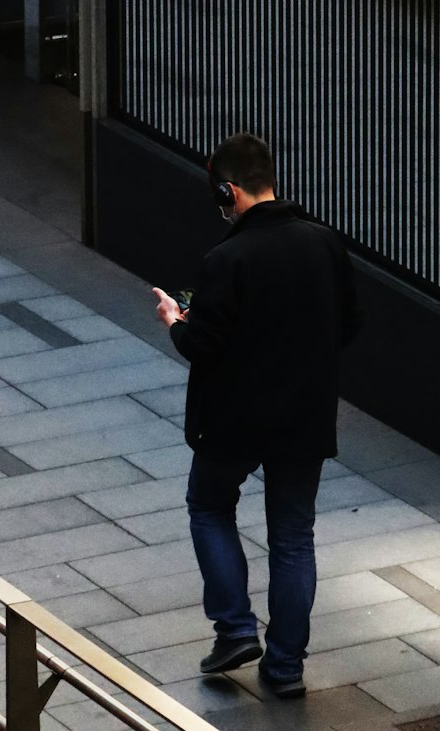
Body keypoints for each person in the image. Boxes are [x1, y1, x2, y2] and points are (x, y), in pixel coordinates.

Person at [153, 132, 361, 698]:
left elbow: (202, 345)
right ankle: (286, 667)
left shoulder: (227, 258)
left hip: (234, 421)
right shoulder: (324, 243)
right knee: (294, 536)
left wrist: (176, 319)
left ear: (228, 189)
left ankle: (236, 628)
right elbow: (350, 325)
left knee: (209, 504)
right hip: (304, 419)